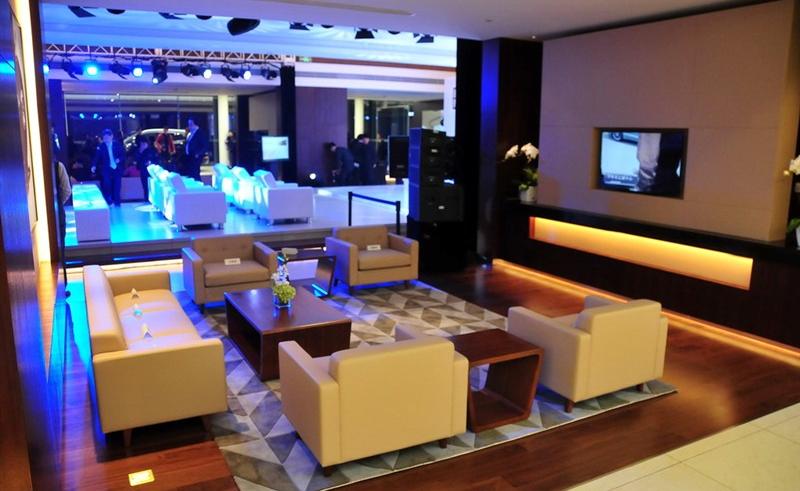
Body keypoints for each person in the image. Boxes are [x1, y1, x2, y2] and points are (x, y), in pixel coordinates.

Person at [92, 128, 125, 206]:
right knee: (107, 185)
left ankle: (117, 202)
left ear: (111, 136)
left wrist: (119, 159)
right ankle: (109, 201)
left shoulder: (117, 145)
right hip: (106, 169)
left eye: (107, 137)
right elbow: (96, 157)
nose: (106, 138)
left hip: (116, 168)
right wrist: (94, 165)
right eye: (104, 137)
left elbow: (123, 155)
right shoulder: (101, 146)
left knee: (117, 186)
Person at [133, 136, 158, 201]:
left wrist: (150, 162)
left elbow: (155, 160)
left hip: (150, 171)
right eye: (141, 144)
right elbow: (137, 161)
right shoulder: (139, 151)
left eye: (144, 144)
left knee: (150, 185)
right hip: (143, 170)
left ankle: (151, 198)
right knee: (144, 185)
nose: (143, 145)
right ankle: (146, 198)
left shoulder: (151, 151)